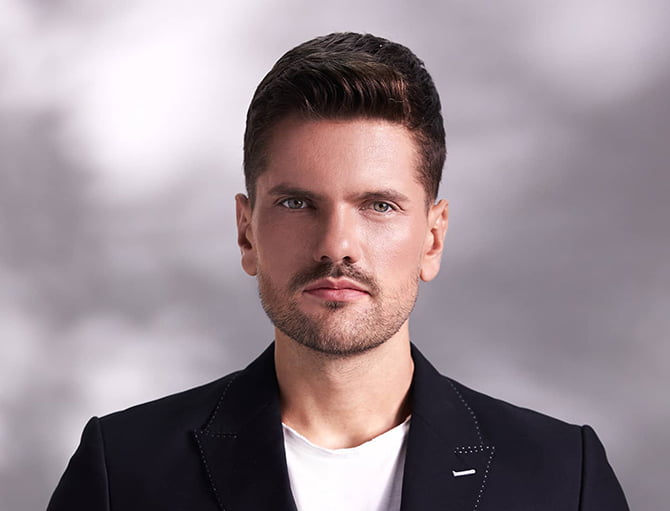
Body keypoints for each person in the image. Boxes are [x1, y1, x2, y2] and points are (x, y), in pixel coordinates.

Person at [47, 32, 629, 511]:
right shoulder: (122, 471)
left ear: (432, 237)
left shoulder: (562, 477)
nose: (336, 246)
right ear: (247, 232)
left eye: (379, 206)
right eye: (297, 203)